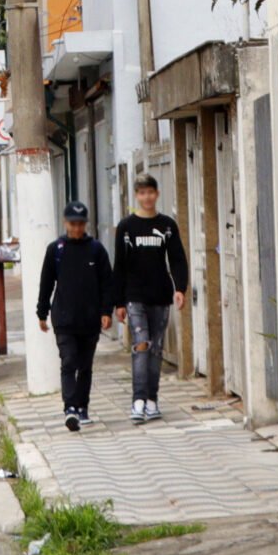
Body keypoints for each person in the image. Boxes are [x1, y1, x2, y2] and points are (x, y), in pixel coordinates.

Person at [112, 173, 189, 423]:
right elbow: (119, 265)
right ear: (137, 195)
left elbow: (177, 258)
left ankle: (152, 400)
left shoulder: (167, 225)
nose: (146, 197)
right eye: (142, 193)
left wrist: (180, 288)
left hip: (160, 295)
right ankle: (138, 400)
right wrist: (118, 302)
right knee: (141, 344)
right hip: (134, 296)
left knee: (155, 349)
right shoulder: (126, 227)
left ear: (156, 194)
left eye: (150, 192)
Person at [33, 200, 114, 432]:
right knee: (69, 362)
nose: (76, 228)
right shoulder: (55, 250)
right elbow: (46, 283)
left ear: (85, 224)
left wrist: (106, 311)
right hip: (64, 319)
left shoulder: (96, 250)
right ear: (65, 223)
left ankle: (82, 406)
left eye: (80, 224)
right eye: (72, 223)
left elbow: (107, 283)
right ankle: (70, 408)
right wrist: (42, 312)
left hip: (89, 319)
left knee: (85, 365)